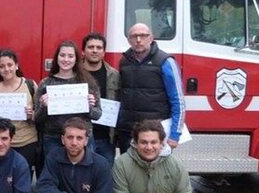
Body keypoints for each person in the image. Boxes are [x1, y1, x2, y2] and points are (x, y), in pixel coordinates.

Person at [117, 23, 185, 152]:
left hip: (154, 136)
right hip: (128, 133)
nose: (138, 40)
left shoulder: (165, 62)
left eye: (143, 35)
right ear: (128, 40)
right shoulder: (124, 62)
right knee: (128, 171)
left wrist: (175, 135)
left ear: (151, 38)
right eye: (134, 36)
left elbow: (178, 101)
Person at [34, 40, 102, 161]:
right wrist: (44, 107)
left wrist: (89, 107)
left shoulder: (87, 82)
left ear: (76, 59)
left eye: (70, 56)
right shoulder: (45, 83)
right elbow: (37, 119)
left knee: (84, 174)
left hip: (82, 138)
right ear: (57, 58)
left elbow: (97, 115)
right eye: (62, 55)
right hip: (53, 138)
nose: (66, 59)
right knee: (55, 175)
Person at [0, 49, 39, 175]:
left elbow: (41, 114)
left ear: (16, 65)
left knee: (23, 178)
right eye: (2, 66)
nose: (6, 69)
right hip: (2, 144)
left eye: (10, 65)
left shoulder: (30, 85)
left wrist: (31, 114)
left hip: (27, 142)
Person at [81, 32, 119, 166]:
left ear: (104, 52)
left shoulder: (114, 75)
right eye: (91, 47)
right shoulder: (74, 73)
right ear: (83, 51)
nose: (95, 50)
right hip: (80, 137)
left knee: (105, 178)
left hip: (105, 138)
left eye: (99, 47)